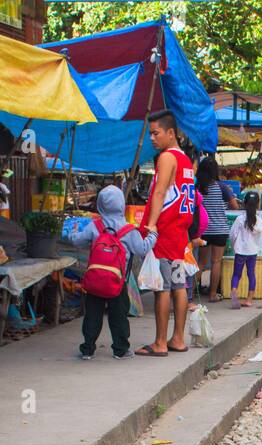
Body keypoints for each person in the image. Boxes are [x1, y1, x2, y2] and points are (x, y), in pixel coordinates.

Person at [135, 109, 196, 357]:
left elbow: (159, 193)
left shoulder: (167, 158)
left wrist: (150, 225)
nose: (152, 138)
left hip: (166, 232)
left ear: (170, 133)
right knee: (179, 285)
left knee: (162, 287)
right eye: (150, 133)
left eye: (155, 133)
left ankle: (160, 342)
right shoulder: (185, 161)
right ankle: (178, 339)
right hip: (180, 234)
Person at [72, 185, 156, 360]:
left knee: (92, 316)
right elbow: (141, 249)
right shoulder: (129, 230)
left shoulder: (94, 226)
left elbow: (77, 241)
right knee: (119, 317)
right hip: (118, 283)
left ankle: (87, 349)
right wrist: (153, 236)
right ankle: (121, 349)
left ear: (100, 205)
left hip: (95, 282)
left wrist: (73, 232)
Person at [195, 156, 238, 303]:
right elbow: (235, 206)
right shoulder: (222, 187)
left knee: (200, 263)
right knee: (216, 262)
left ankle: (188, 294)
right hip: (220, 230)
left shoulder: (198, 188)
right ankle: (213, 295)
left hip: (203, 230)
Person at [228, 191, 262, 308]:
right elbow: (259, 234)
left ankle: (234, 290)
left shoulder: (240, 219)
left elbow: (232, 235)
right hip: (252, 251)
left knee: (237, 274)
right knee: (251, 274)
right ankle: (249, 300)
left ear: (244, 203)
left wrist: (235, 246)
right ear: (258, 205)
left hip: (240, 251)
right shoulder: (259, 220)